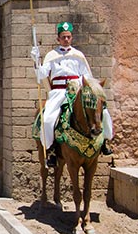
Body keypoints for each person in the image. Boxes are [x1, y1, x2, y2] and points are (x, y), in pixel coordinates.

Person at [31, 21, 113, 167]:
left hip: (77, 90)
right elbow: (42, 74)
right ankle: (51, 150)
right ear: (58, 39)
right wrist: (36, 61)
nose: (66, 39)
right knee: (49, 119)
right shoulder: (51, 55)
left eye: (68, 37)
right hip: (59, 92)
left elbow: (87, 76)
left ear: (72, 38)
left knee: (103, 112)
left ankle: (104, 142)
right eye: (63, 37)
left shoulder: (78, 55)